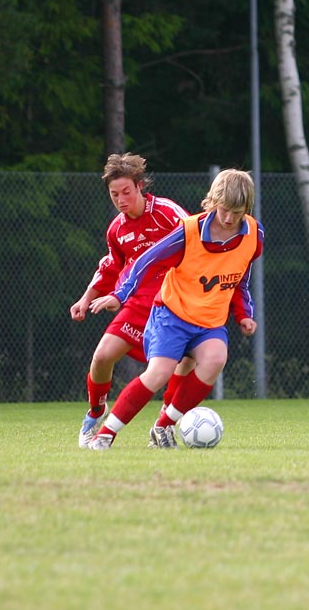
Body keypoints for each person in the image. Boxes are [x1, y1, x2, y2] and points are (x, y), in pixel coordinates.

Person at [85, 168, 263, 449]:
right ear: (213, 201)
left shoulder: (254, 234)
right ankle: (105, 434)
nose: (229, 218)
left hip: (210, 321)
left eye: (237, 212)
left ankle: (163, 426)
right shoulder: (190, 231)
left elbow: (240, 277)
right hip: (172, 315)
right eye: (225, 210)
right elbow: (146, 261)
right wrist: (119, 296)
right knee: (158, 373)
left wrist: (243, 314)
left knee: (216, 359)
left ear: (247, 208)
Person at [68, 153, 200, 448]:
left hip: (174, 304)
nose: (120, 199)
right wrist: (87, 297)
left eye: (126, 191)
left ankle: (164, 425)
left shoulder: (168, 213)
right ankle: (95, 414)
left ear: (140, 187)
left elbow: (197, 246)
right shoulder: (117, 229)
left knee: (187, 361)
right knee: (102, 357)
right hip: (138, 304)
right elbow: (110, 266)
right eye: (114, 194)